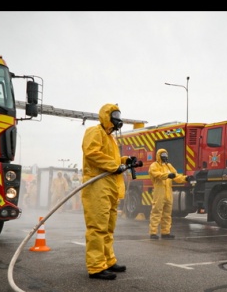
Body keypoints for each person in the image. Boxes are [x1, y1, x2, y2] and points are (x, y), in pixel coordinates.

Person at [81, 103, 140, 280]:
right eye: (115, 116)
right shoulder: (95, 132)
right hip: (97, 186)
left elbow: (112, 159)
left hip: (110, 187)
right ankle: (96, 267)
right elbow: (92, 153)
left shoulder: (111, 137)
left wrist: (125, 160)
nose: (118, 120)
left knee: (108, 228)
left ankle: (108, 260)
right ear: (107, 117)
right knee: (97, 227)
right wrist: (116, 165)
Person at [148, 148, 193, 240]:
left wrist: (186, 178)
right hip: (159, 192)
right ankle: (153, 233)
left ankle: (165, 233)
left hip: (168, 192)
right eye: (163, 155)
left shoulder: (169, 166)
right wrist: (167, 175)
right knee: (156, 212)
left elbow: (176, 176)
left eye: (166, 155)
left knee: (167, 214)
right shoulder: (154, 165)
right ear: (159, 156)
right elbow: (156, 174)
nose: (165, 157)